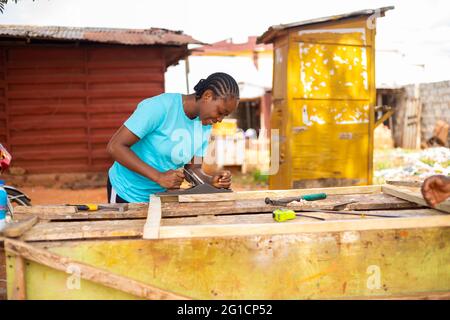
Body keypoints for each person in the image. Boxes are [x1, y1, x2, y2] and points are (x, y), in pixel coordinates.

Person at [106, 72, 240, 203]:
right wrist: (159, 177)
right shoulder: (159, 107)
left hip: (161, 197)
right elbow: (115, 146)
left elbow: (193, 168)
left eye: (224, 116)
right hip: (127, 192)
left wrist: (210, 181)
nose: (220, 119)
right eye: (220, 112)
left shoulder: (205, 125)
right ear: (207, 96)